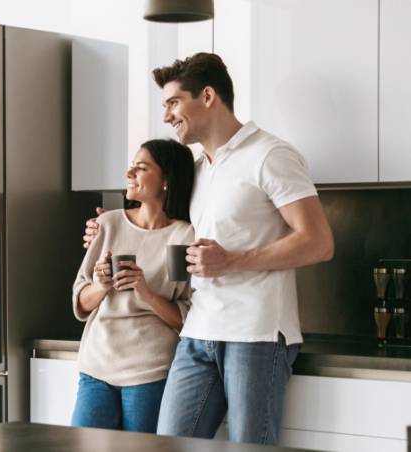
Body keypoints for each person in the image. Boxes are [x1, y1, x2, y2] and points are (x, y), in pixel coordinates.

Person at [82, 53, 334, 445]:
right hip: (198, 332)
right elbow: (159, 226)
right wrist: (104, 226)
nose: (166, 116)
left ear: (208, 96)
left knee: (249, 446)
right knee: (167, 445)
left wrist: (232, 261)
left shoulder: (270, 155)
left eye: (172, 103)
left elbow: (318, 242)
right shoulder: (198, 170)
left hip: (256, 334)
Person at [71, 138, 195, 433]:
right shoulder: (109, 224)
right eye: (131, 167)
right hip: (96, 368)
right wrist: (100, 286)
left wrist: (146, 292)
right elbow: (80, 302)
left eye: (140, 168)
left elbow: (185, 319)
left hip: (150, 373)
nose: (129, 175)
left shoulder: (184, 236)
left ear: (166, 180)